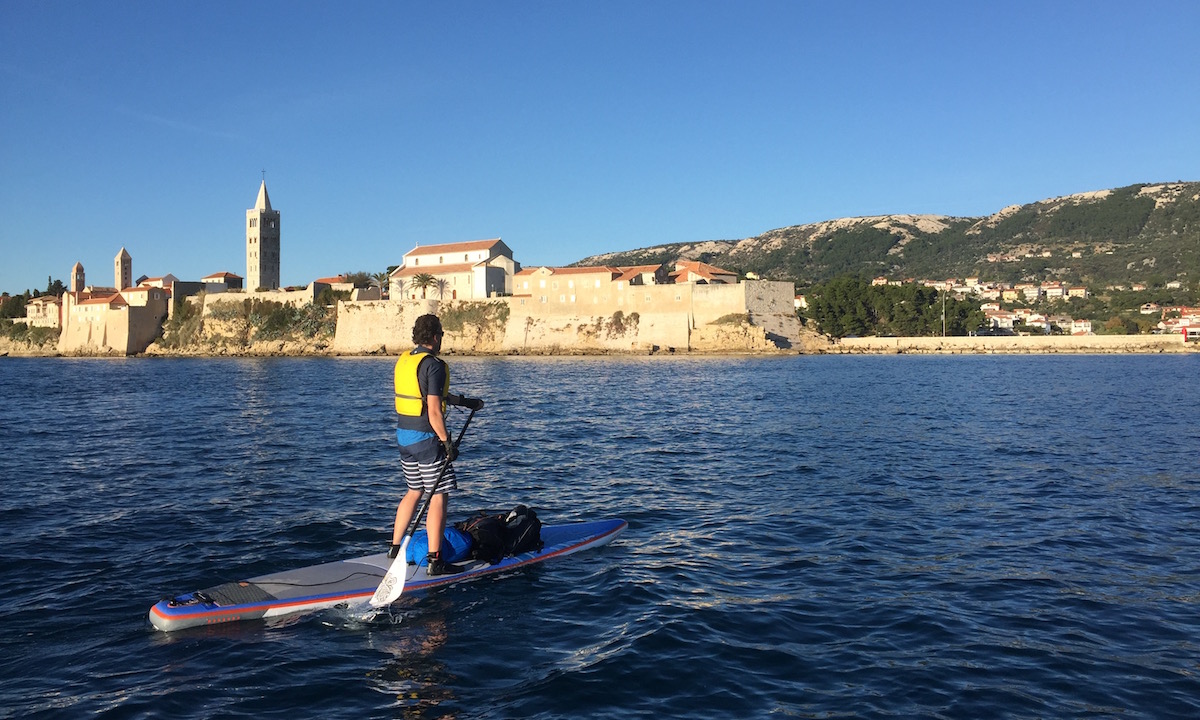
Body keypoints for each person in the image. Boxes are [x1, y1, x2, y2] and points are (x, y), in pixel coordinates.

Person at [388, 313, 483, 576]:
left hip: (404, 437)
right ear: (434, 336)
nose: (442, 339)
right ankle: (435, 560)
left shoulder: (407, 360)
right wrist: (447, 442)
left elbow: (431, 395)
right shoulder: (434, 365)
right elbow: (433, 410)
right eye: (441, 334)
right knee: (439, 496)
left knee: (414, 491)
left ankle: (394, 549)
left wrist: (464, 402)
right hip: (427, 440)